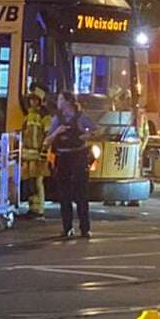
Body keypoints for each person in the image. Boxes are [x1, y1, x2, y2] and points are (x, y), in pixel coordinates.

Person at [44, 90, 95, 238]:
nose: (58, 102)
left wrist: (87, 135)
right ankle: (67, 228)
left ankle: (85, 228)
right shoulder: (57, 120)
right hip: (63, 157)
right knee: (64, 194)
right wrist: (57, 132)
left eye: (60, 99)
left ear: (67, 101)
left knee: (81, 193)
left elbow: (96, 130)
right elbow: (47, 141)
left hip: (78, 156)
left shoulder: (80, 117)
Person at [21, 85, 53, 219]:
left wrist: (44, 153)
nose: (32, 102)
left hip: (38, 154)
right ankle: (32, 208)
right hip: (28, 154)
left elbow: (48, 135)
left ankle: (39, 209)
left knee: (38, 182)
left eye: (35, 100)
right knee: (29, 182)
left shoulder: (45, 117)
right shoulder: (28, 116)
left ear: (40, 101)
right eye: (31, 100)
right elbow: (23, 134)